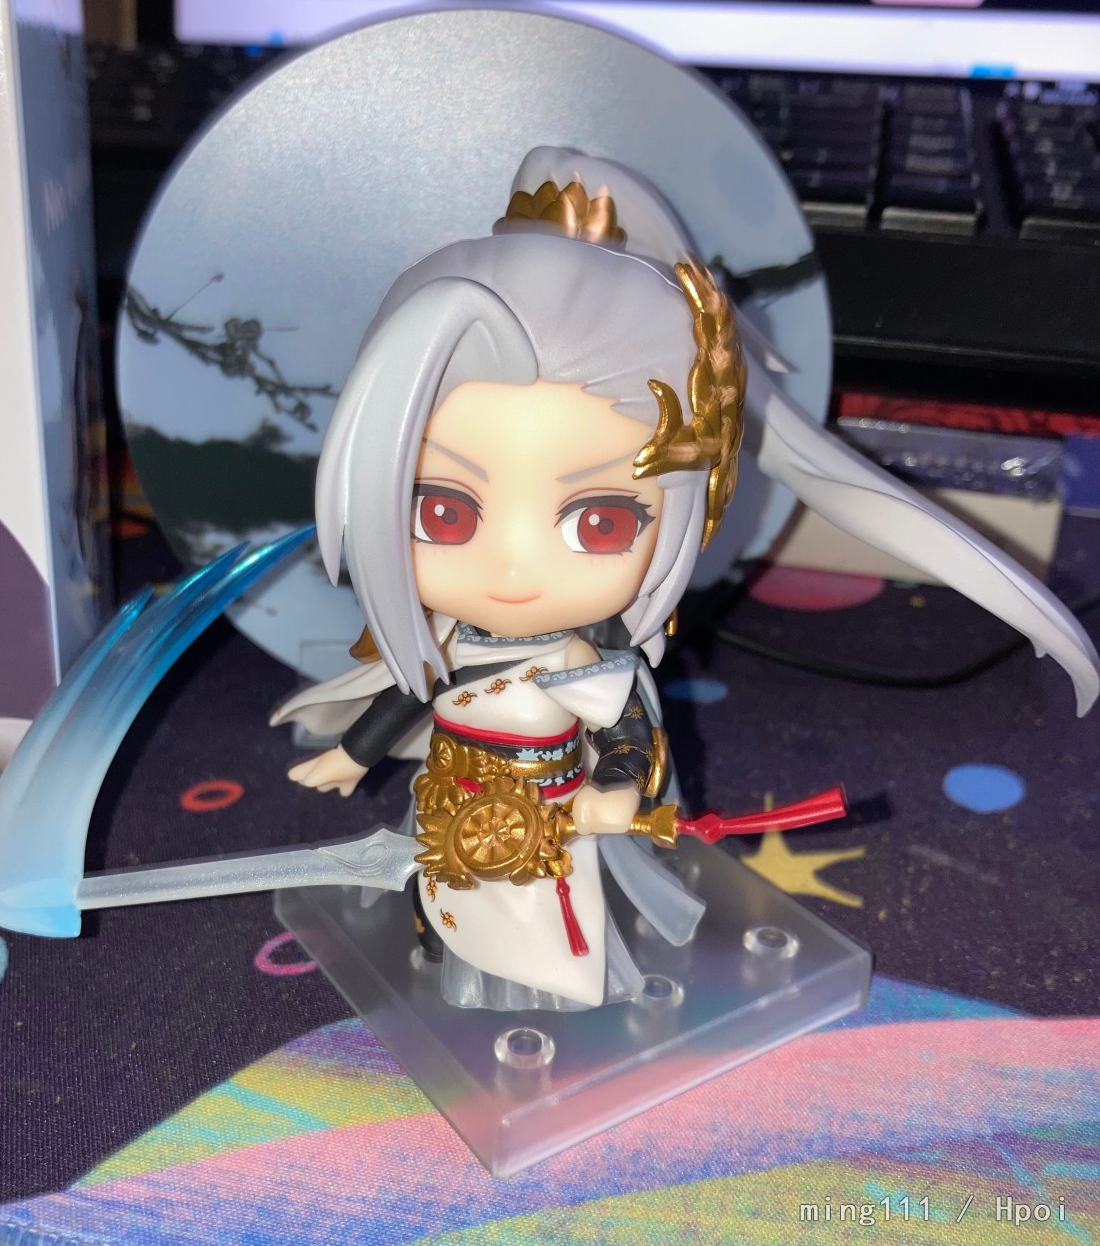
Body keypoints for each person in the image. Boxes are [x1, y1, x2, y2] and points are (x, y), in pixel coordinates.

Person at [273, 147, 1099, 1010]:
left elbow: (626, 732)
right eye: (443, 513)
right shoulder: (451, 639)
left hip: (549, 814)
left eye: (597, 523)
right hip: (456, 797)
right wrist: (351, 753)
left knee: (541, 928)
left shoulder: (582, 664)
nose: (512, 569)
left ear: (678, 514)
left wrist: (612, 790)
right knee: (443, 894)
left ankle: (527, 989)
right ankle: (442, 944)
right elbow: (412, 691)